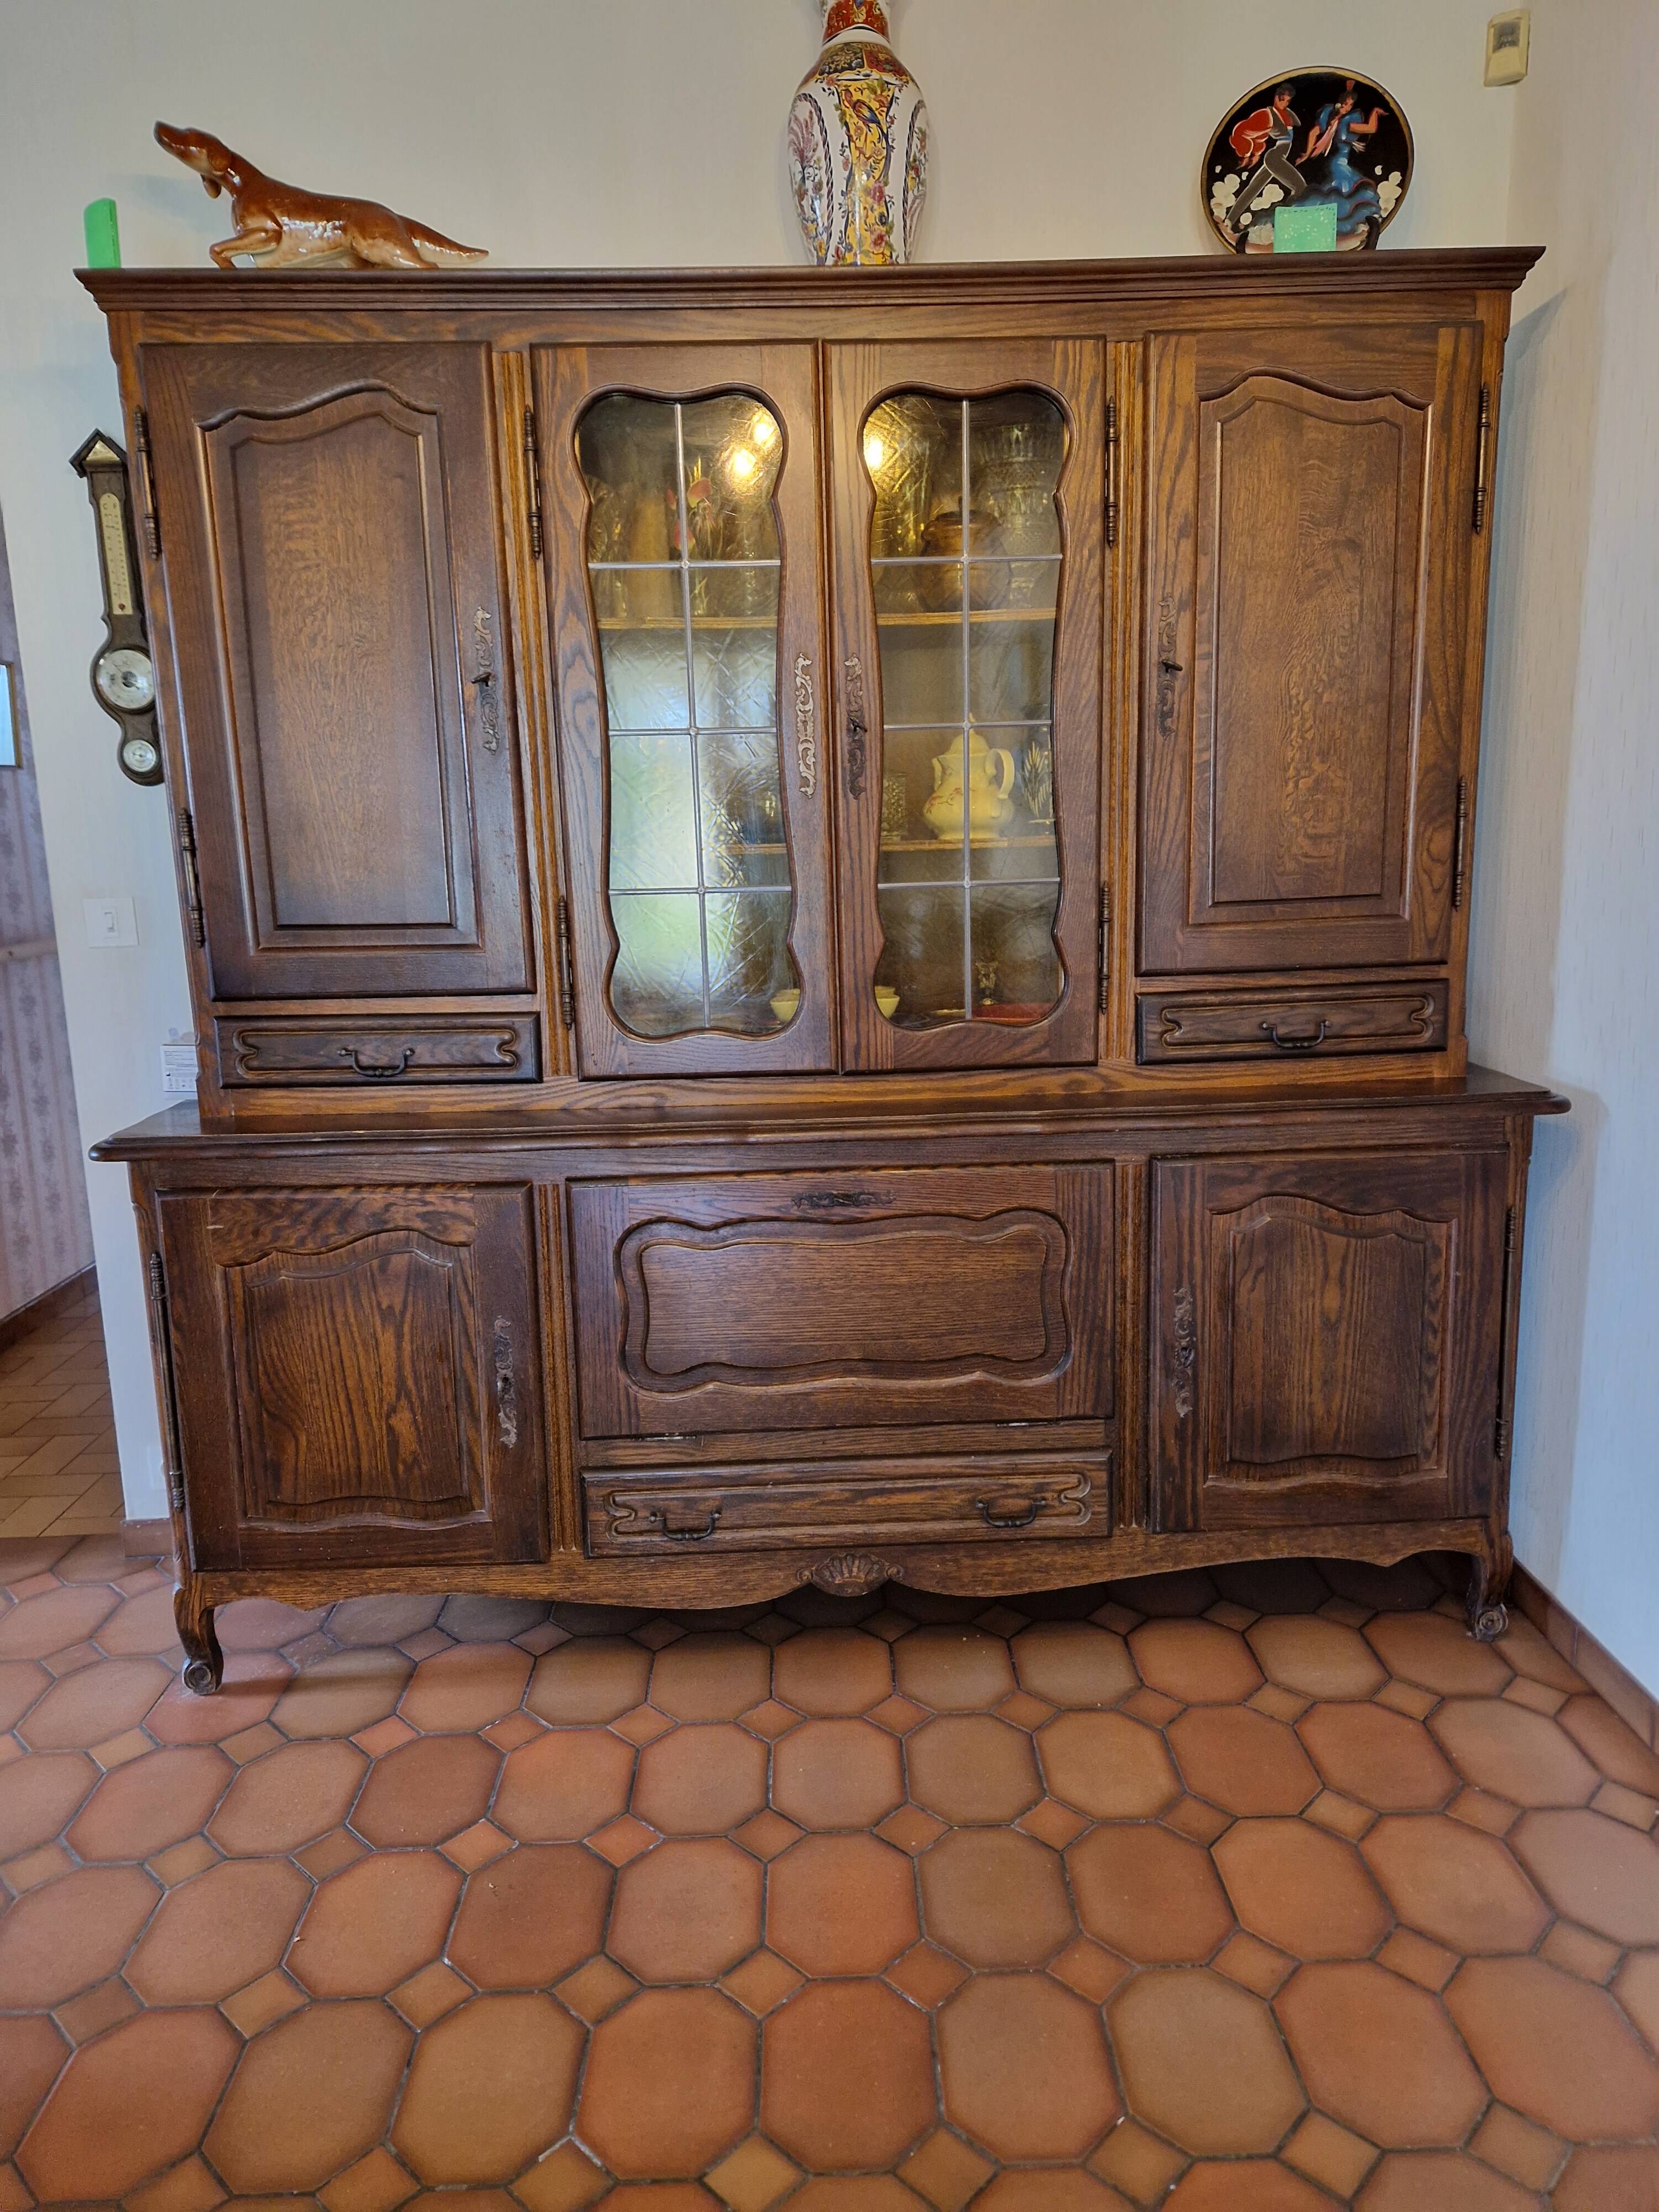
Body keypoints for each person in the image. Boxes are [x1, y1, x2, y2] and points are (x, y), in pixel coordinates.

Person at [1298, 81, 1388, 246]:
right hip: (1339, 164)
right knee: (1344, 195)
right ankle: (1338, 232)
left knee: (1338, 195)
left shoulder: (1335, 120)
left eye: (1351, 105)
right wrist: (1375, 112)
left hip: (1338, 163)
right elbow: (1371, 128)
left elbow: (1314, 132)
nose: (1349, 108)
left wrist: (1307, 153)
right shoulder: (1344, 122)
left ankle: (1331, 233)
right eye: (1347, 104)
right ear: (1341, 104)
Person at [1225, 86, 1305, 247]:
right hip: (1274, 157)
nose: (1285, 104)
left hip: (1278, 156)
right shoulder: (1266, 115)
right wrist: (1250, 153)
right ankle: (1290, 226)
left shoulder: (1287, 114)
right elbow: (1242, 132)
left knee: (1254, 188)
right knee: (1300, 188)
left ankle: (1230, 220)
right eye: (1283, 100)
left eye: (1288, 101)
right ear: (1276, 98)